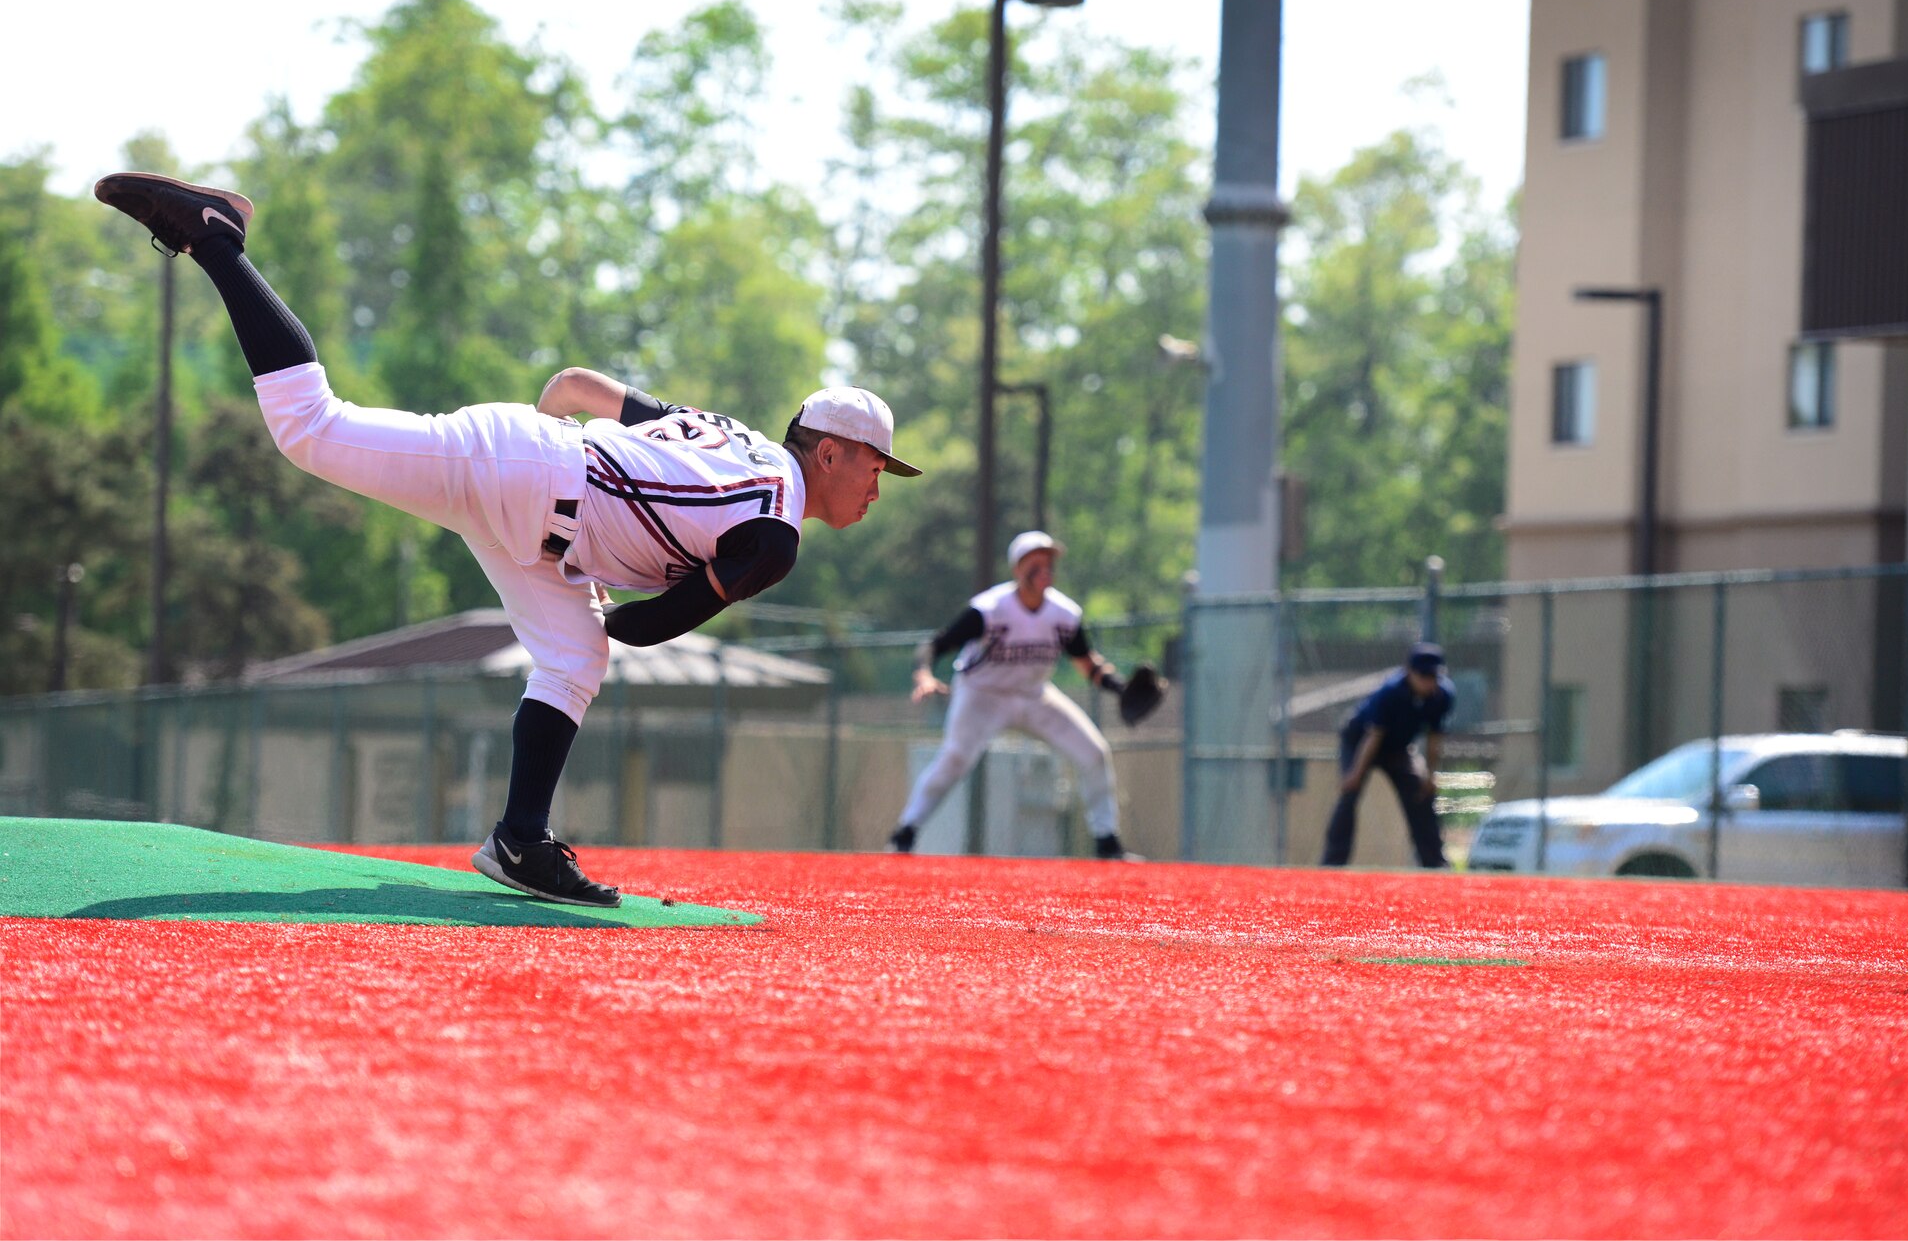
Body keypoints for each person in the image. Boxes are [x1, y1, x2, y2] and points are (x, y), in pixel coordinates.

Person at [95, 171, 919, 908]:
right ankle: (216, 238)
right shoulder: (774, 533)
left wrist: (574, 500)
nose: (879, 486)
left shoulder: (732, 437)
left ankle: (520, 842)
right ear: (833, 450)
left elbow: (574, 387)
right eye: (876, 465)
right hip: (529, 483)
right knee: (311, 429)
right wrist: (585, 545)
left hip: (537, 491)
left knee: (571, 659)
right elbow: (643, 627)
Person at [888, 531, 1140, 860]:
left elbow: (1087, 665)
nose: (1046, 568)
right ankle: (904, 833)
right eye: (1036, 561)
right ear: (1017, 568)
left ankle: (1107, 842)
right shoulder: (991, 609)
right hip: (982, 695)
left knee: (1094, 752)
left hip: (1034, 695)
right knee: (954, 759)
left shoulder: (1064, 614)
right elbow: (936, 645)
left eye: (1049, 561)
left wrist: (1120, 687)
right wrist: (923, 674)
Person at [1321, 643, 1456, 869]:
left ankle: (1435, 864)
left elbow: (1434, 738)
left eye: (1433, 675)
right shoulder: (1391, 692)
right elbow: (1374, 735)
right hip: (1361, 741)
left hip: (1398, 748)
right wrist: (1355, 773)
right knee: (1350, 794)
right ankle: (1332, 864)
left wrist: (1430, 774)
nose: (1429, 681)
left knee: (1420, 793)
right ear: (1409, 671)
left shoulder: (1443, 695)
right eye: (1423, 675)